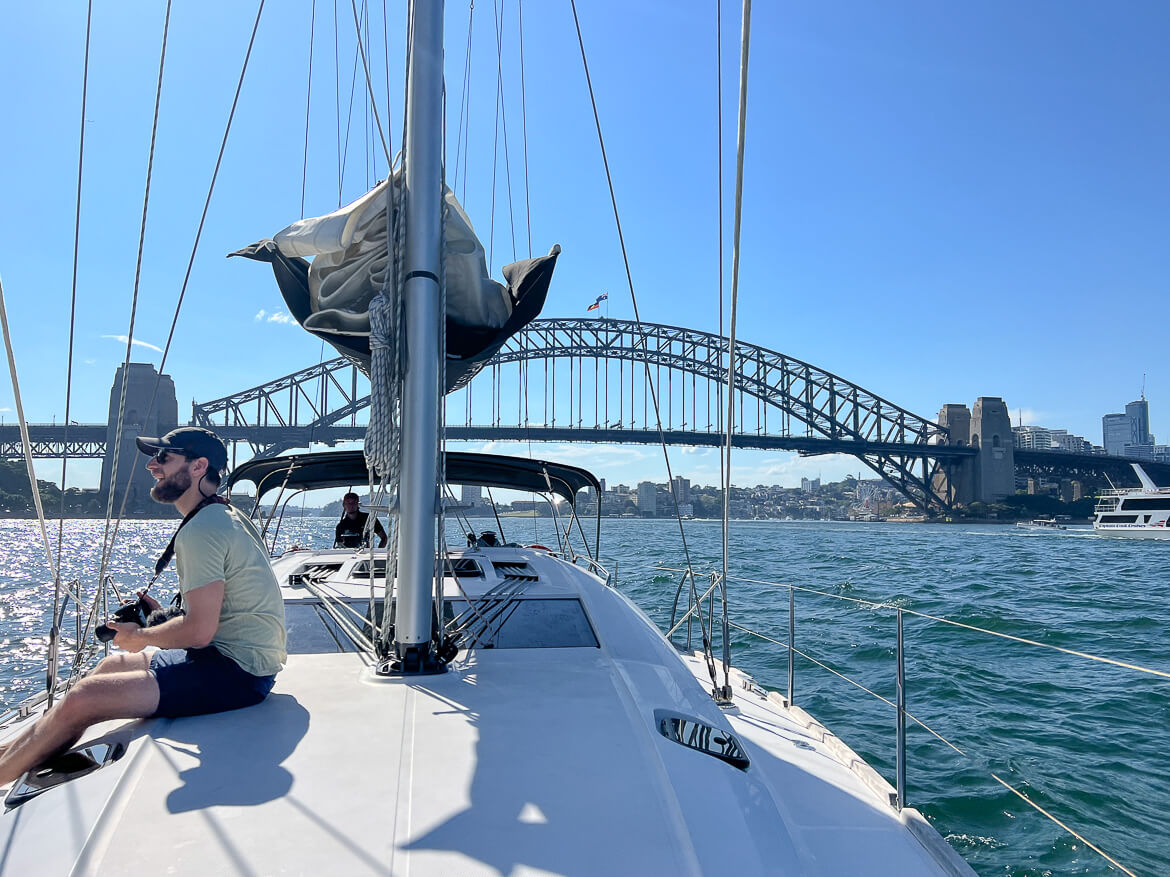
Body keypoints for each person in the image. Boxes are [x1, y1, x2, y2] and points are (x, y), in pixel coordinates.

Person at [0, 427, 286, 786]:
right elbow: (220, 609)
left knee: (86, 697)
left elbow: (199, 631)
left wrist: (143, 636)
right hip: (233, 656)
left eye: (163, 457)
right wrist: (159, 617)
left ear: (198, 466)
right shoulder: (223, 513)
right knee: (110, 664)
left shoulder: (203, 528)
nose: (152, 465)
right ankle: (8, 754)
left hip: (240, 672)